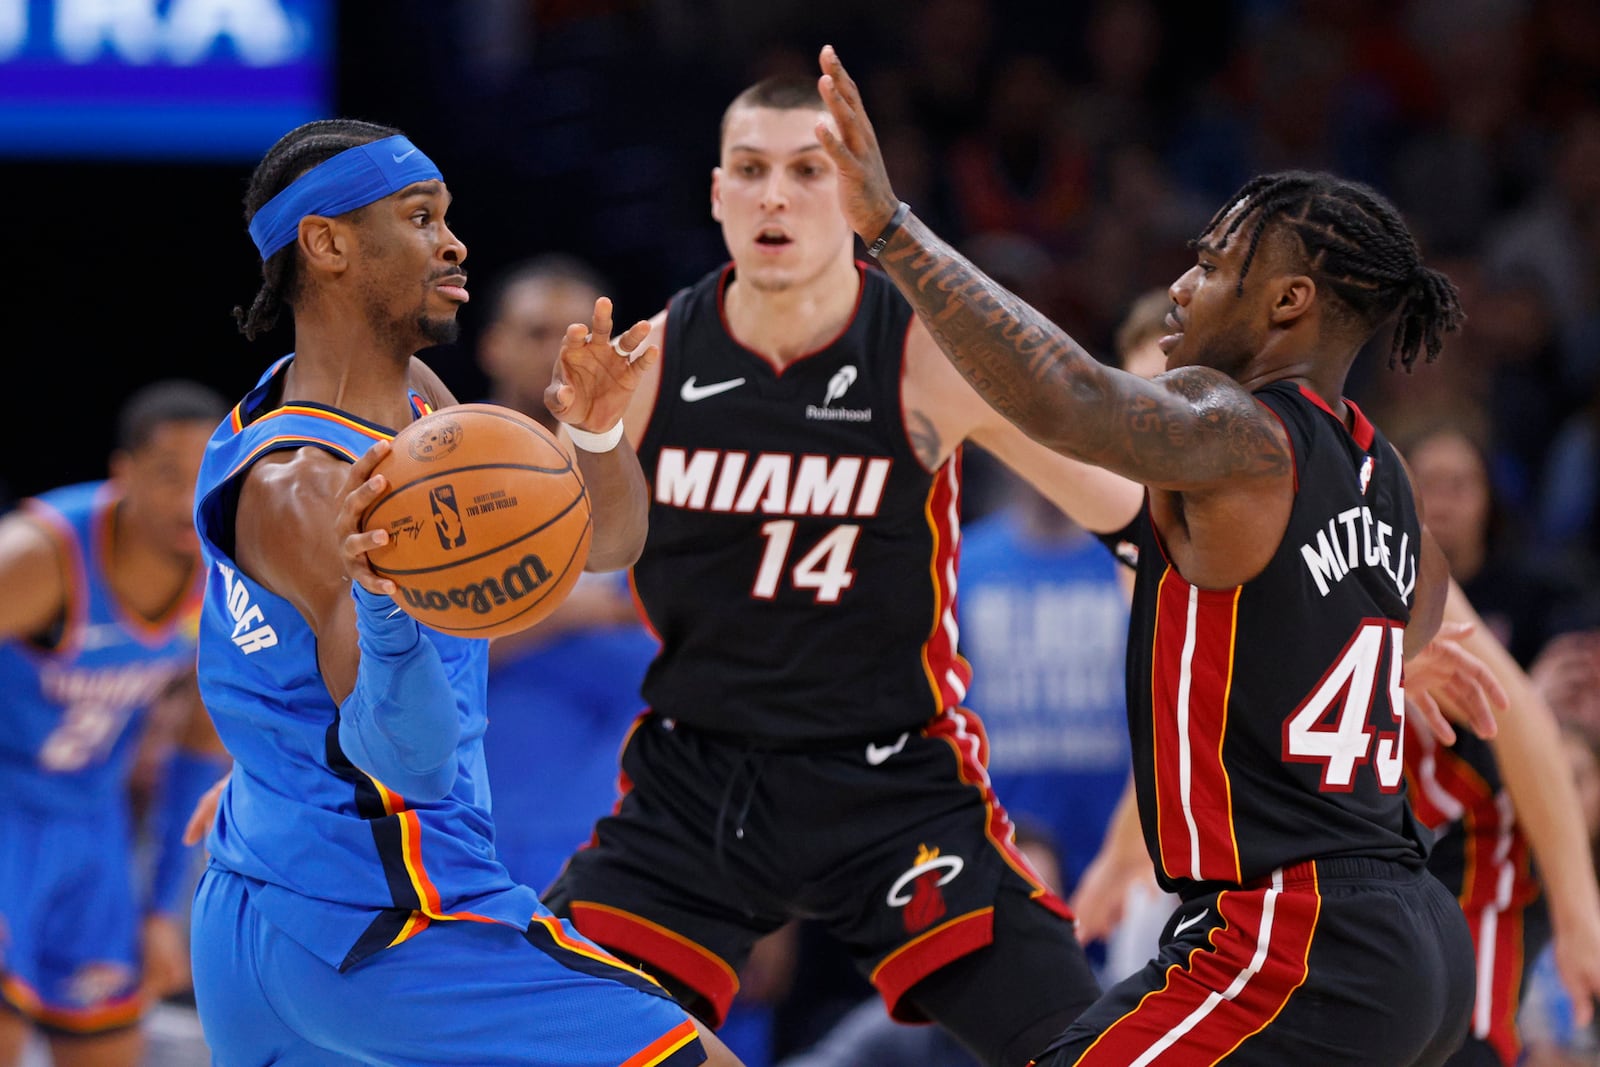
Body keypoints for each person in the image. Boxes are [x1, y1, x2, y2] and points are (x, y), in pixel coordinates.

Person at [815, 44, 1509, 1064]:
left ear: (1286, 304)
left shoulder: (1236, 425)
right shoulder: (1377, 466)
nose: (1180, 284)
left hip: (1296, 932)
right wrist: (1392, 651)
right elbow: (1407, 603)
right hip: (1399, 926)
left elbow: (1077, 397)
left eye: (1213, 264)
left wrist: (891, 228)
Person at [541, 75, 1147, 1067]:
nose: (775, 196)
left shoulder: (923, 355)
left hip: (890, 780)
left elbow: (1124, 515)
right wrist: (594, 436)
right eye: (752, 171)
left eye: (806, 171)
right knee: (550, 1031)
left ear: (852, 192)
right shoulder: (648, 358)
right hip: (700, 783)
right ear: (715, 194)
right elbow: (604, 552)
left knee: (1080, 1050)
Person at [185, 118, 740, 1067]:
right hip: (389, 923)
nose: (454, 241)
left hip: (265, 897)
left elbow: (602, 544)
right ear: (326, 244)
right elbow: (407, 758)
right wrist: (391, 615)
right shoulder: (307, 490)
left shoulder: (413, 413)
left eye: (448, 215)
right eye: (418, 216)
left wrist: (596, 437)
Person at [0, 380, 229, 1067]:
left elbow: (199, 743)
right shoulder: (37, 556)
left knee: (110, 1048)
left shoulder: (222, 577)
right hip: (7, 808)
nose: (186, 496)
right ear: (123, 473)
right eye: (167, 475)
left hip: (93, 826)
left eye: (205, 474)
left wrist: (162, 907)